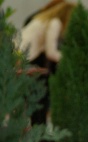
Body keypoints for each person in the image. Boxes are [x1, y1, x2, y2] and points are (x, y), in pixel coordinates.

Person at [18, 1, 76, 129]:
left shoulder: (42, 19)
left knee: (35, 96)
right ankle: (40, 132)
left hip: (22, 58)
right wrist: (71, 58)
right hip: (29, 59)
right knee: (41, 95)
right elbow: (51, 53)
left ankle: (38, 130)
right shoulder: (55, 22)